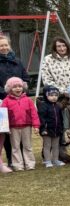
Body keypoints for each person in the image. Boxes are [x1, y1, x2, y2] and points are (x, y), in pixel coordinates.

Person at [0, 33, 30, 167]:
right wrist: (6, 93)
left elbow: (26, 78)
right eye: (1, 46)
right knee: (7, 131)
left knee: (21, 129)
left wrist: (23, 88)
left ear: (9, 45)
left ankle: (23, 158)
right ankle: (11, 158)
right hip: (3, 102)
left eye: (5, 45)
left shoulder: (17, 61)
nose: (4, 48)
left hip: (19, 102)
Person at [2, 76, 39, 170]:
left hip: (26, 126)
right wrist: (5, 127)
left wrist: (36, 125)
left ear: (23, 87)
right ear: (10, 89)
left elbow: (34, 113)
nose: (18, 88)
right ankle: (18, 165)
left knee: (28, 146)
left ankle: (30, 164)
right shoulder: (6, 101)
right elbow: (3, 115)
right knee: (15, 147)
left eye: (20, 86)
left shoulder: (28, 100)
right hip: (13, 127)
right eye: (14, 87)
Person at [37, 85, 67, 167]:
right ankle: (47, 161)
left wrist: (61, 128)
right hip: (47, 130)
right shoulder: (43, 106)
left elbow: (60, 118)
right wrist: (43, 128)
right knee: (47, 146)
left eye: (56, 95)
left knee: (56, 146)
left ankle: (55, 160)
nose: (54, 97)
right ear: (46, 95)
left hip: (57, 130)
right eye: (51, 95)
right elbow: (41, 118)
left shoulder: (58, 106)